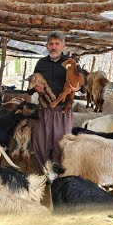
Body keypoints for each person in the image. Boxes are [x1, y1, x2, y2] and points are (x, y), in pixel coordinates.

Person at [31, 31, 74, 167]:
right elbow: (31, 84)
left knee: (61, 144)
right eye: (51, 44)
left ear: (63, 46)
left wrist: (78, 87)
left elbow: (81, 84)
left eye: (57, 44)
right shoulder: (41, 63)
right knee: (41, 143)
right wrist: (35, 88)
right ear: (46, 46)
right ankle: (45, 171)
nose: (53, 47)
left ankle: (59, 173)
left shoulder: (70, 63)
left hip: (63, 111)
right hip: (45, 110)